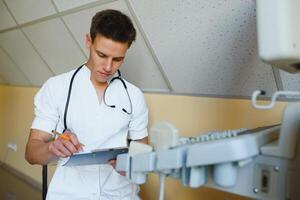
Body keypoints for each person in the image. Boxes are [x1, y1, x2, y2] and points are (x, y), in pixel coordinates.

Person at [25, 9, 148, 200]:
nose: (108, 67)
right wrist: (51, 148)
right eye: (101, 54)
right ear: (88, 41)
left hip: (120, 194)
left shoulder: (134, 95)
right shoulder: (56, 87)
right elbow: (32, 153)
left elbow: (143, 152)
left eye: (117, 59)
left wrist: (135, 165)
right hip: (69, 194)